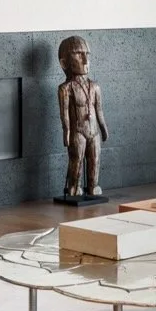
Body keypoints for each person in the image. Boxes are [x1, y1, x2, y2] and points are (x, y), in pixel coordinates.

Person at [56, 35, 109, 197]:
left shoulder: (95, 86)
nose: (86, 60)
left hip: (94, 131)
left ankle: (93, 186)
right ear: (64, 62)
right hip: (78, 131)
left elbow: (99, 110)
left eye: (87, 54)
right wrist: (67, 134)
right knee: (76, 160)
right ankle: (74, 186)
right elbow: (64, 114)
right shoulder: (66, 88)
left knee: (95, 159)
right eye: (79, 54)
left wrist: (103, 128)